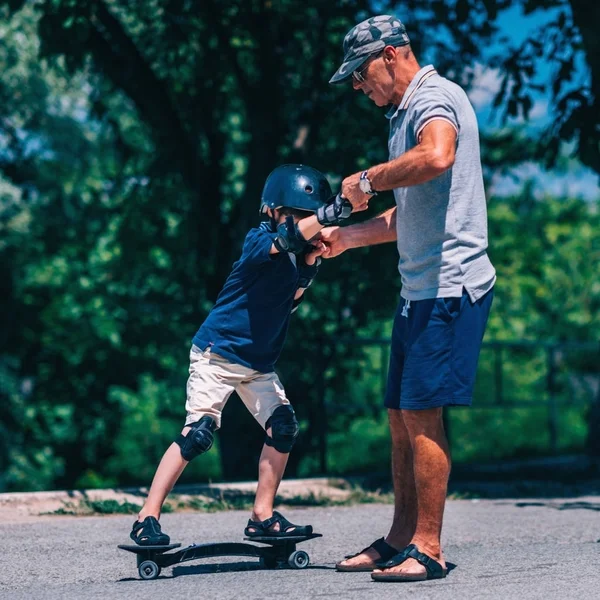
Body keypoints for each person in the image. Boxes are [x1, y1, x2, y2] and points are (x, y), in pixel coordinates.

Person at [322, 15, 496, 582]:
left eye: (360, 72)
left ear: (393, 54)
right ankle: (401, 538)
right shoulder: (400, 118)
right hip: (417, 289)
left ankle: (429, 547)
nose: (357, 86)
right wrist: (348, 238)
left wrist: (368, 180)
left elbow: (439, 154)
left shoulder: (433, 98)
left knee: (422, 413)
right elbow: (409, 215)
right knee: (400, 415)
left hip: (450, 285)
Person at [129, 164, 352, 545]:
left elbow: (290, 301)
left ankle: (261, 517)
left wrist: (312, 262)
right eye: (297, 215)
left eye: (308, 215)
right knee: (197, 434)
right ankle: (145, 517)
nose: (304, 224)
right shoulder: (258, 240)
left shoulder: (295, 260)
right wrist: (328, 216)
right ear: (273, 212)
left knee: (282, 428)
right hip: (217, 355)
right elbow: (284, 239)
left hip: (258, 366)